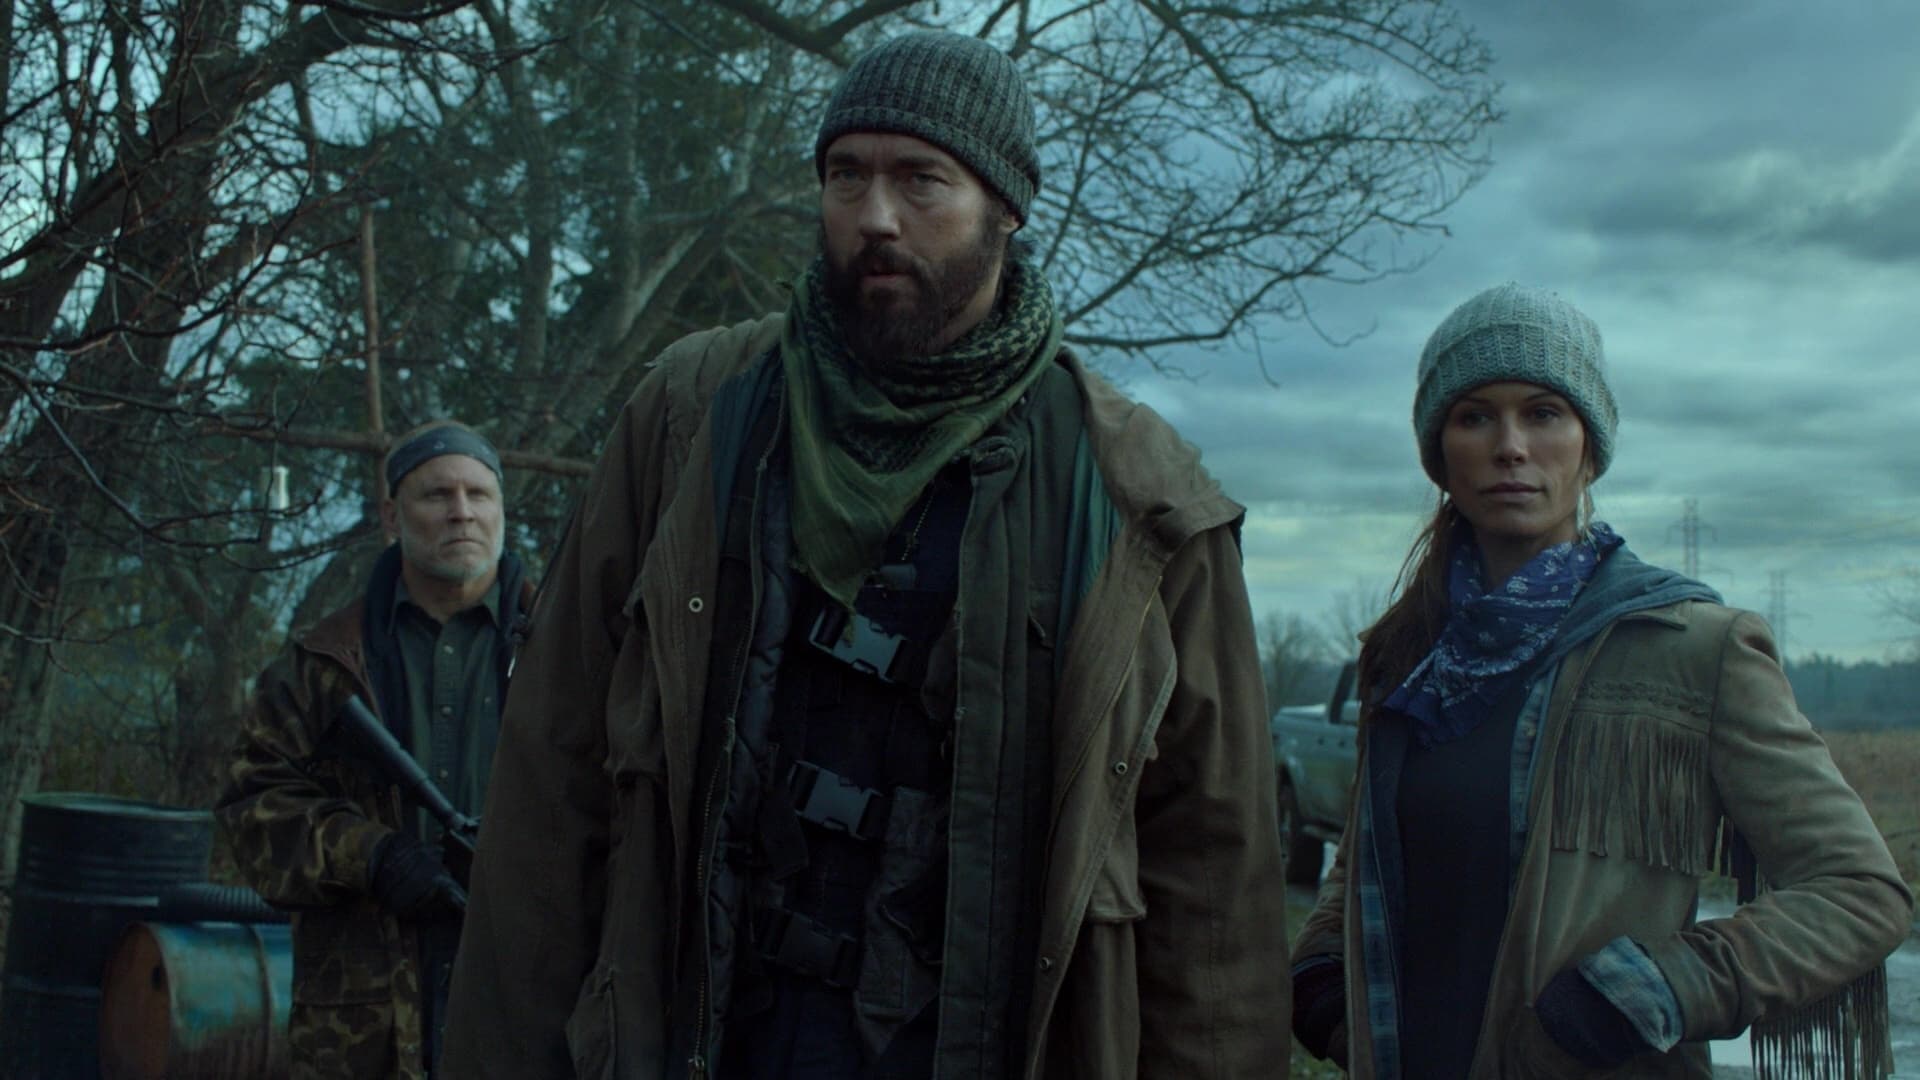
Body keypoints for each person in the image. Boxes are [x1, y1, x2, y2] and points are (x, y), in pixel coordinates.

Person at [443, 30, 1289, 1080]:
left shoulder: (1132, 495)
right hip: (709, 1039)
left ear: (1005, 209)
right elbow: (553, 773)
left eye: (921, 180)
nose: (875, 216)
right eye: (847, 175)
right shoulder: (694, 416)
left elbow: (1212, 880)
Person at [1289, 283, 1914, 1077]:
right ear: (1439, 452)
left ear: (1590, 445)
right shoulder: (1410, 656)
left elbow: (1860, 891)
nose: (1511, 446)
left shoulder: (1696, 648)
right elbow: (1371, 855)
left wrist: (1658, 986)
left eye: (1544, 413)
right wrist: (1322, 976)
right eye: (1475, 416)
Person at [217, 421, 533, 1080]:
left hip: (527, 1003)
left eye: (479, 494)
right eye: (437, 494)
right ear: (391, 516)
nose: (462, 512)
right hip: (363, 1028)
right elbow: (251, 810)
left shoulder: (569, 649)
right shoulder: (322, 663)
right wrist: (373, 856)